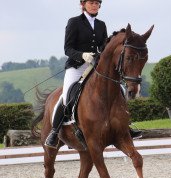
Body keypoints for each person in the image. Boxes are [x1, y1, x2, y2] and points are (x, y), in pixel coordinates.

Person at [45, 0, 142, 149]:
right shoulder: (74, 22)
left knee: (119, 89)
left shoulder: (101, 24)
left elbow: (104, 47)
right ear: (83, 4)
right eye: (91, 2)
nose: (94, 5)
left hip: (94, 66)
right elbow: (68, 48)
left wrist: (99, 55)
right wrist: (82, 55)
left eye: (97, 3)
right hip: (76, 66)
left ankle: (126, 126)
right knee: (66, 96)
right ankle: (54, 131)